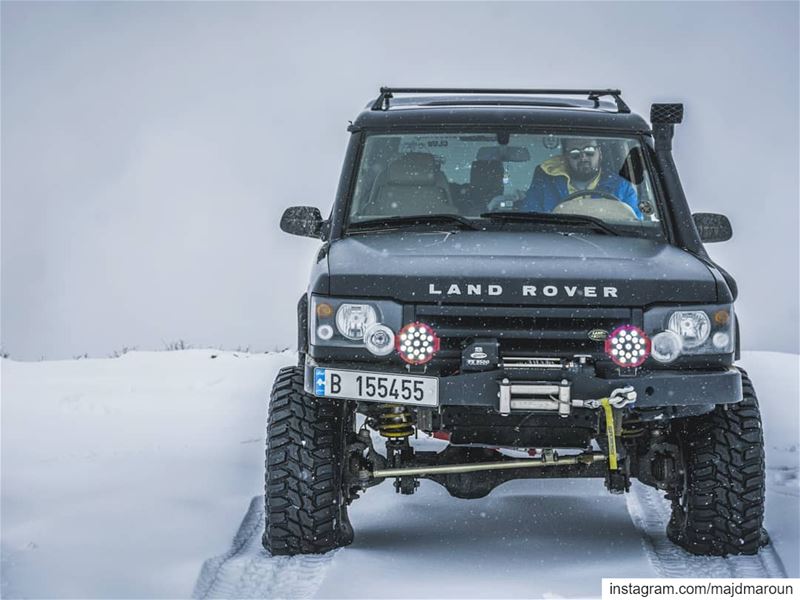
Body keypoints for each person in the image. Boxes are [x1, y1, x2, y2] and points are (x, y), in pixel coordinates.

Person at [521, 137, 642, 218]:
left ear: (600, 153)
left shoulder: (621, 186)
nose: (583, 157)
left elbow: (636, 224)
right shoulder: (545, 184)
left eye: (589, 150)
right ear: (566, 157)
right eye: (575, 153)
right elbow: (530, 221)